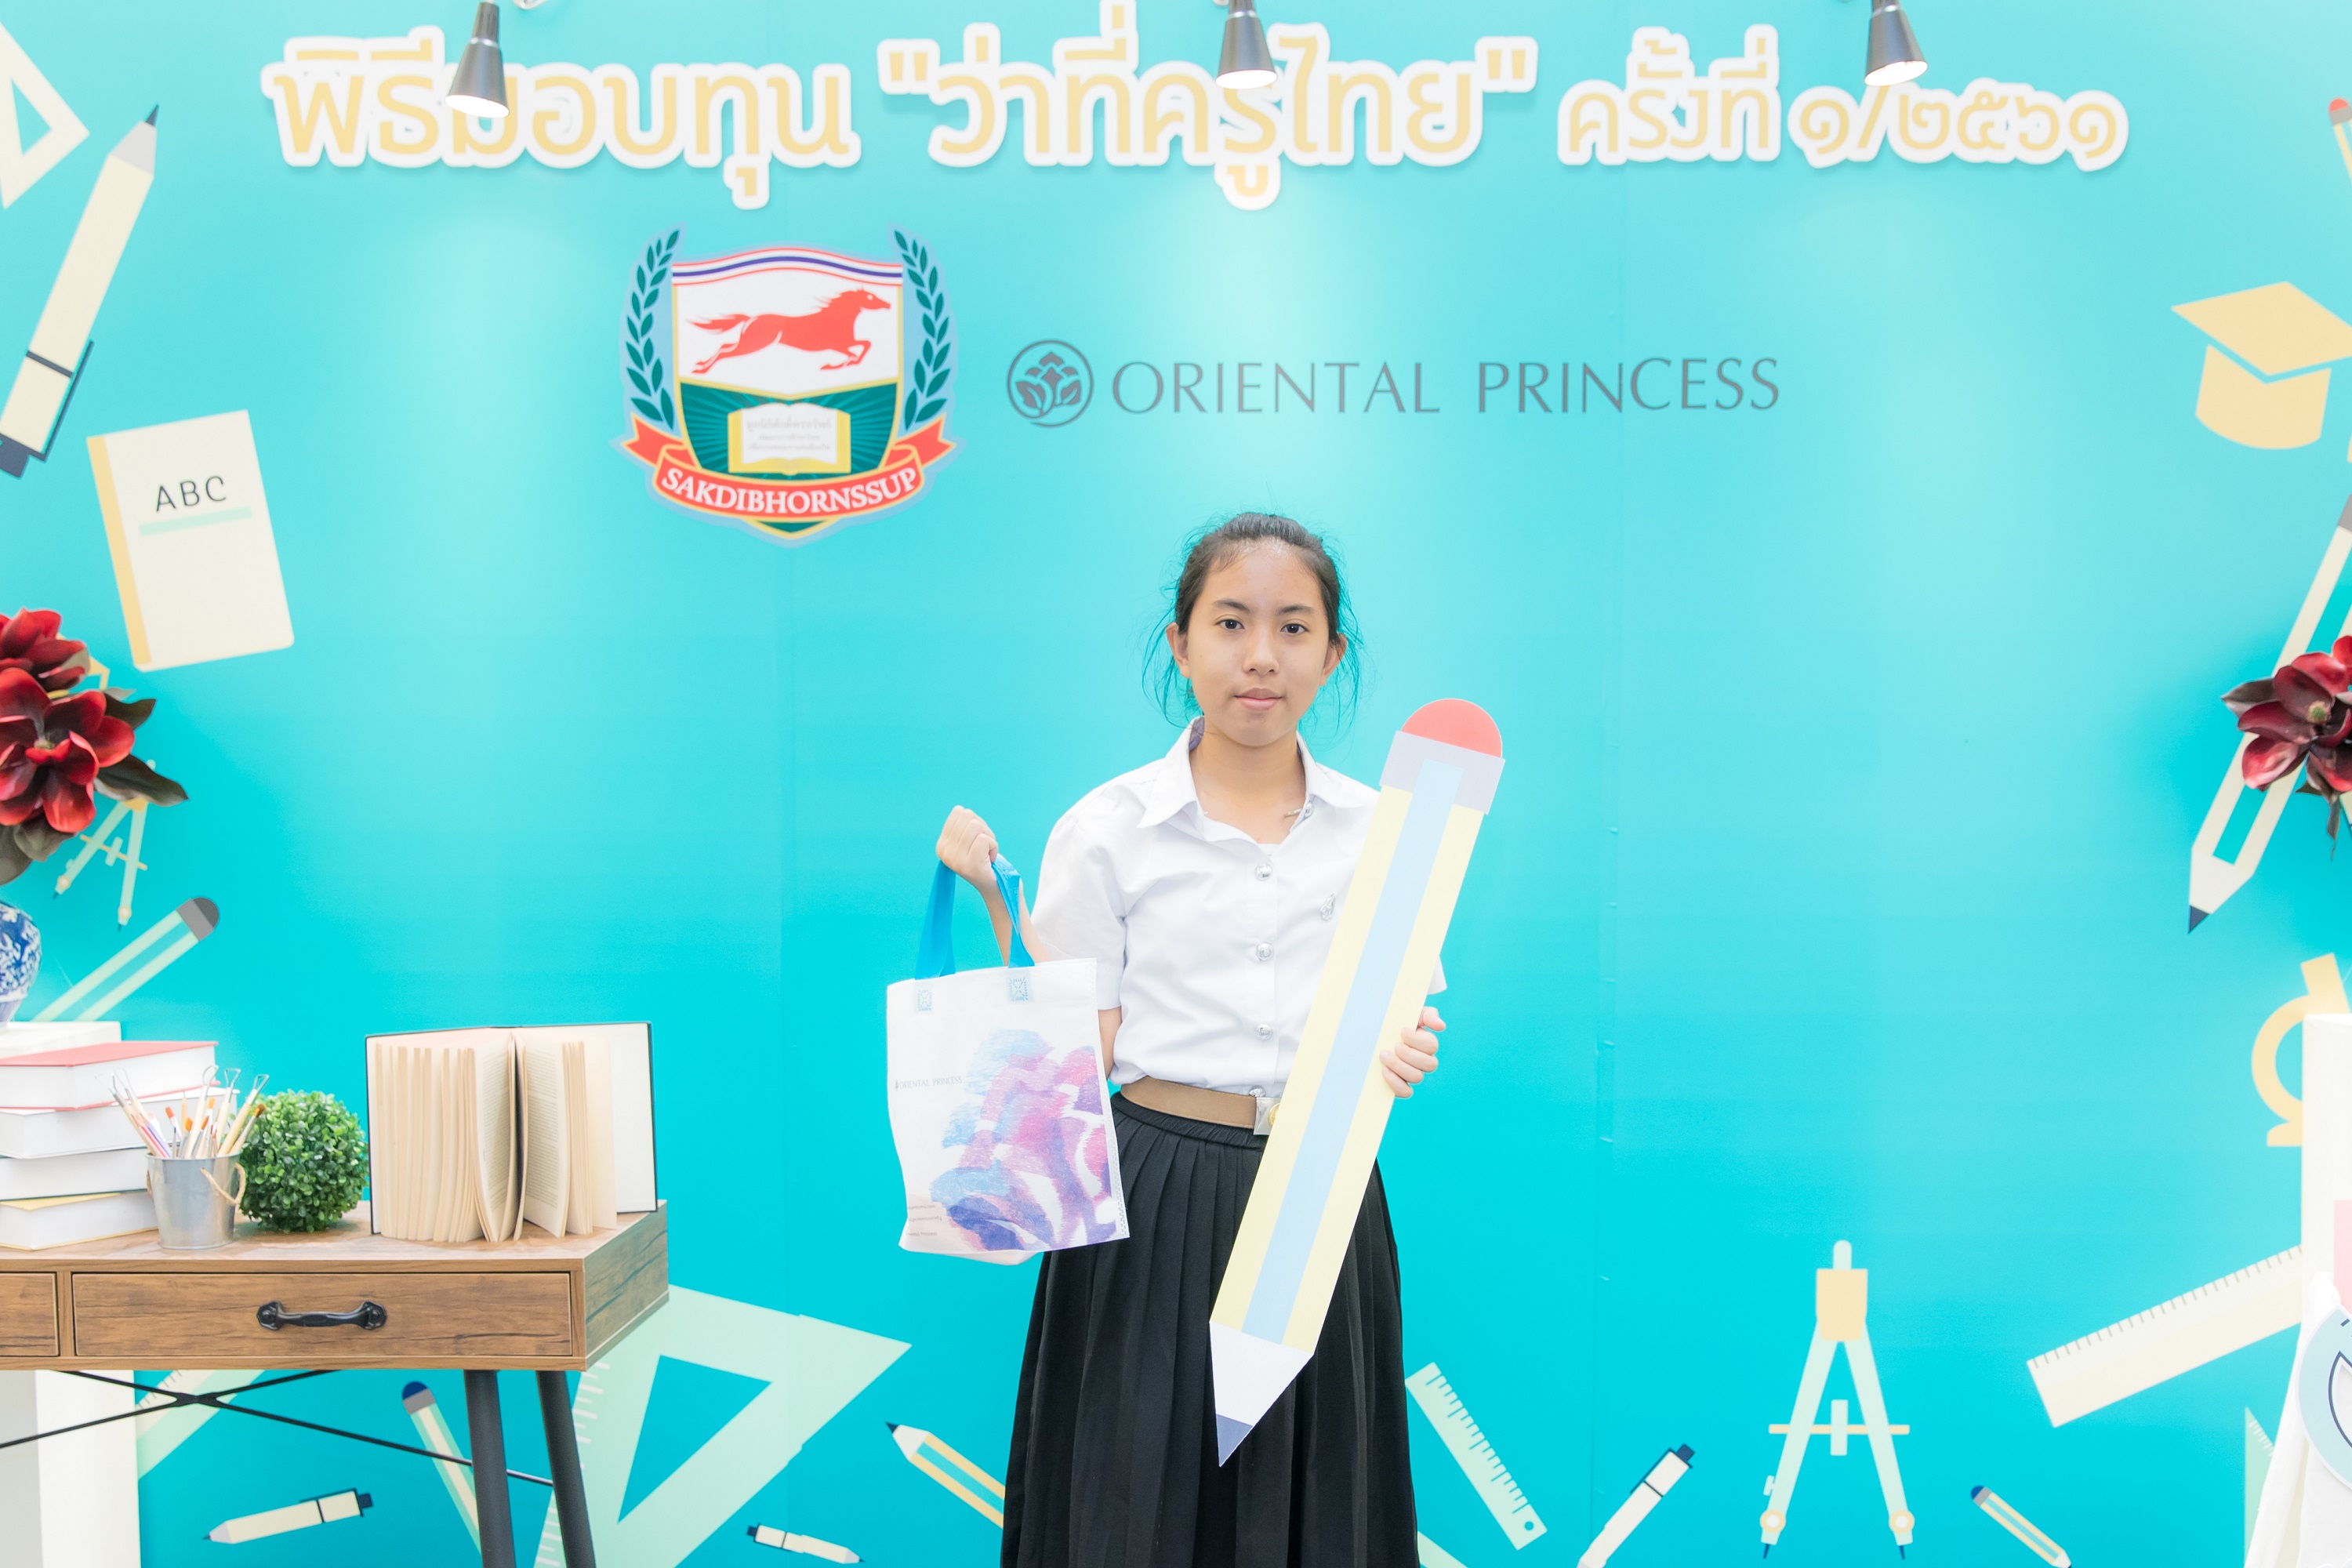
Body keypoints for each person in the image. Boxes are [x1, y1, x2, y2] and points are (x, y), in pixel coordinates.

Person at [935, 512, 1446, 1568]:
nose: (1261, 655)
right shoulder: (1107, 828)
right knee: (1136, 1497)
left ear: (1332, 655)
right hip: (1151, 1195)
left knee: (1316, 1498)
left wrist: (1407, 1043)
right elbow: (1072, 1056)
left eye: (1294, 627)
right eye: (1230, 622)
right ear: (1181, 643)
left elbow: (1400, 1013)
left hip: (1321, 1186)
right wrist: (994, 902)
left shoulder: (1387, 836)